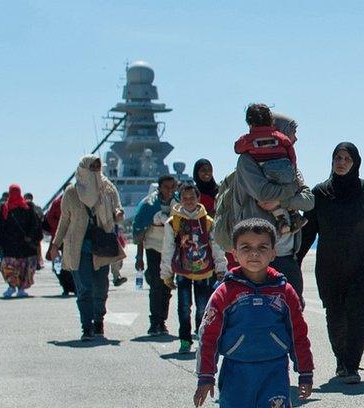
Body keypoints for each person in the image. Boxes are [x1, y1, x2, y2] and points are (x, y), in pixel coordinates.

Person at [195, 218, 313, 408]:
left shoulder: (284, 292)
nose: (254, 254)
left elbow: (298, 333)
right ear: (233, 252)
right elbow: (208, 335)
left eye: (262, 247)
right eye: (246, 247)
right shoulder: (226, 293)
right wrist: (205, 376)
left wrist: (305, 371)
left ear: (274, 252)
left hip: (274, 372)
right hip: (237, 373)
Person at [297, 143, 364, 384]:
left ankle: (352, 365)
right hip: (331, 266)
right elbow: (309, 232)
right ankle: (341, 360)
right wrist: (294, 262)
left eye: (347, 158)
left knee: (359, 312)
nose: (341, 162)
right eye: (337, 158)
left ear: (355, 162)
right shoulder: (320, 193)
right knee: (336, 315)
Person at [216, 112, 314, 297]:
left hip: (285, 254)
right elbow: (263, 193)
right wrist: (289, 194)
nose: (295, 138)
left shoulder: (291, 167)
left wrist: (280, 201)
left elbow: (308, 201)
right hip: (256, 257)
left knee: (291, 313)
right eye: (293, 131)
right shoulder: (247, 161)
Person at [50, 155, 126, 341]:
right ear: (83, 168)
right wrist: (55, 244)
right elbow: (64, 220)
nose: (95, 171)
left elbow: (117, 208)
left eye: (97, 167)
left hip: (102, 246)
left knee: (101, 288)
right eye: (91, 167)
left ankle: (98, 321)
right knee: (84, 289)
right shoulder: (71, 193)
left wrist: (118, 214)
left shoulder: (107, 189)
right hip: (78, 247)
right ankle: (87, 326)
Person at [160, 183, 227, 353]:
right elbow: (167, 248)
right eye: (184, 198)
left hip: (204, 271)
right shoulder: (173, 222)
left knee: (203, 307)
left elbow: (216, 246)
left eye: (192, 197)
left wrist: (221, 269)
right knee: (183, 307)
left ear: (198, 199)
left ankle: (202, 337)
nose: (188, 201)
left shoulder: (208, 222)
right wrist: (166, 273)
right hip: (182, 271)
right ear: (179, 199)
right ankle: (184, 339)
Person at [233, 104, 306, 235]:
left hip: (267, 171)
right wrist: (292, 171)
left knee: (266, 200)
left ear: (250, 123)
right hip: (286, 172)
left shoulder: (248, 140)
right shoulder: (279, 137)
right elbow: (290, 150)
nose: (296, 138)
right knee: (269, 196)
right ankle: (293, 216)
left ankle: (282, 220)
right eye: (294, 133)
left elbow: (237, 148)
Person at [133, 175, 177, 335]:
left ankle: (162, 321)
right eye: (166, 187)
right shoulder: (148, 205)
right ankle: (154, 321)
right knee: (155, 284)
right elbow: (140, 233)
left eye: (173, 187)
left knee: (166, 285)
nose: (170, 190)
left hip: (170, 249)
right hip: (152, 247)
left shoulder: (178, 204)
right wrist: (139, 257)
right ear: (159, 188)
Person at [0, 184, 43, 298]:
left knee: (16, 267)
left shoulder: (22, 207)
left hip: (17, 245)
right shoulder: (9, 208)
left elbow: (0, 227)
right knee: (16, 266)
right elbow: (35, 224)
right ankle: (16, 287)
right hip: (19, 244)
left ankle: (17, 288)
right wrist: (31, 237)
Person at [42, 194, 77, 296]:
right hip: (66, 238)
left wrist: (59, 227)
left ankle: (67, 287)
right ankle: (70, 286)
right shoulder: (72, 201)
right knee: (67, 264)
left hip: (60, 237)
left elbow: (49, 218)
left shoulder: (57, 202)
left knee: (60, 265)